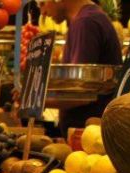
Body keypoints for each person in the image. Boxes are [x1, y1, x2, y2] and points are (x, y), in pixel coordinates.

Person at [40, 0, 122, 134]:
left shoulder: (85, 23)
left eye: (42, 3)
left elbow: (80, 94)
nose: (43, 13)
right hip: (88, 136)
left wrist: (36, 99)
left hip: (87, 138)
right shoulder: (88, 18)